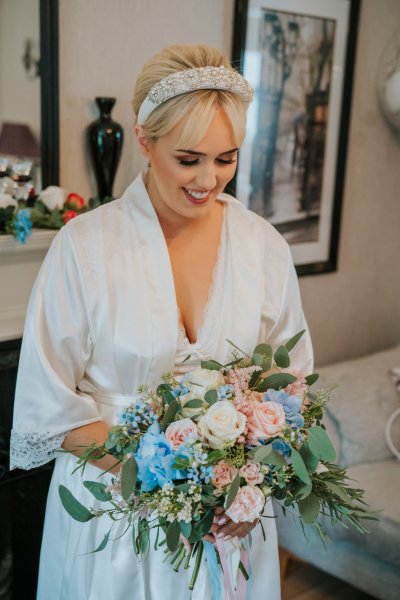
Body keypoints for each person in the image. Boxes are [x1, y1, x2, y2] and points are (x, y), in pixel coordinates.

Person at [10, 44, 313, 599]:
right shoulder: (85, 246)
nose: (209, 179)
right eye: (189, 158)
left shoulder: (263, 246)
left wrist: (248, 488)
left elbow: (291, 389)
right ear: (145, 141)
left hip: (229, 524)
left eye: (226, 158)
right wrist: (171, 479)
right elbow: (47, 407)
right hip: (109, 519)